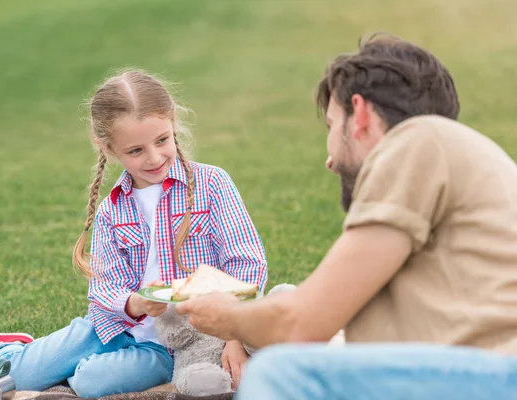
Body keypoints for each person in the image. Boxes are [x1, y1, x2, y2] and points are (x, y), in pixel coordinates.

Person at [176, 34, 517, 399]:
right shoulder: (453, 157)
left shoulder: (416, 142)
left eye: (331, 125)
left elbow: (302, 323)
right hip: (472, 371)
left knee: (281, 373)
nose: (330, 161)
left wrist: (229, 317)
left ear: (361, 115)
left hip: (492, 376)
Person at [0, 70, 267, 398]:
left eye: (162, 140)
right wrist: (135, 302)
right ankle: (7, 351)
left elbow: (248, 263)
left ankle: (71, 362)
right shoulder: (113, 209)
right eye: (136, 151)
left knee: (90, 382)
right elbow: (104, 288)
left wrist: (234, 336)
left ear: (173, 123)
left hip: (169, 347)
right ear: (108, 148)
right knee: (26, 374)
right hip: (116, 327)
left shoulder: (211, 184)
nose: (154, 158)